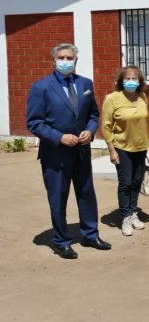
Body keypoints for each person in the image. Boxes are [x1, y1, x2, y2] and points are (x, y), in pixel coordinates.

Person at [26, 43, 111, 259]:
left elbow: (93, 114)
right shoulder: (41, 87)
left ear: (75, 61)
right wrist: (59, 137)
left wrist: (91, 132)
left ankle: (90, 235)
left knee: (86, 194)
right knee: (58, 198)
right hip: (55, 155)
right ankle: (61, 241)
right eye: (62, 57)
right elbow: (34, 122)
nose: (66, 61)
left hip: (82, 151)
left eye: (70, 57)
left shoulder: (85, 83)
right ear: (53, 60)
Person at [101, 65, 149, 237]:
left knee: (137, 181)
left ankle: (133, 211)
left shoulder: (143, 96)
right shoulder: (112, 98)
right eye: (127, 78)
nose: (131, 82)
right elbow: (106, 126)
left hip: (141, 146)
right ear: (121, 80)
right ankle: (125, 217)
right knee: (125, 183)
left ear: (140, 81)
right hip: (122, 147)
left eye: (134, 78)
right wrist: (112, 151)